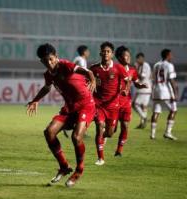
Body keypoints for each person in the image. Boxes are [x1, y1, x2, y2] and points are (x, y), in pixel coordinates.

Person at [27, 43, 96, 187]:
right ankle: (64, 166)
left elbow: (87, 72)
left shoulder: (66, 65)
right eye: (46, 61)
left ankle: (79, 170)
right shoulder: (48, 74)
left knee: (76, 137)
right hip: (70, 108)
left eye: (51, 59)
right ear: (42, 62)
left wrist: (93, 79)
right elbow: (46, 88)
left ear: (56, 57)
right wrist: (35, 100)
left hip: (85, 105)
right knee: (49, 132)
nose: (49, 63)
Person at [90, 42, 129, 166]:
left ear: (112, 54)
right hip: (98, 105)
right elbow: (87, 80)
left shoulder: (119, 68)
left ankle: (105, 136)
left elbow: (127, 80)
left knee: (110, 133)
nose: (106, 53)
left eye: (108, 51)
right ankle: (100, 158)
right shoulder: (94, 68)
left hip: (113, 106)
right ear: (100, 52)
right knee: (99, 127)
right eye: (104, 51)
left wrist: (126, 89)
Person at [114, 46, 147, 157]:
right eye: (125, 55)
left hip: (126, 102)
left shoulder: (132, 69)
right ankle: (101, 148)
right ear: (119, 57)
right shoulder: (114, 68)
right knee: (111, 130)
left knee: (125, 125)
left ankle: (119, 151)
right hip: (114, 102)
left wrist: (140, 85)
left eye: (129, 55)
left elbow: (136, 81)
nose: (128, 57)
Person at [150, 49, 178, 140]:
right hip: (165, 91)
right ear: (167, 55)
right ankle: (168, 132)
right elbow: (171, 80)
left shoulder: (156, 65)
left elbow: (153, 79)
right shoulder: (169, 65)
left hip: (156, 90)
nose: (172, 57)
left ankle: (152, 134)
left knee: (156, 112)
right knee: (174, 110)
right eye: (171, 55)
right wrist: (175, 93)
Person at [133, 53, 152, 129]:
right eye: (137, 59)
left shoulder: (145, 65)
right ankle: (142, 123)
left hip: (144, 88)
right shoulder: (141, 66)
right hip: (143, 89)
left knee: (135, 104)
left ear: (142, 58)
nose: (137, 60)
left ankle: (144, 118)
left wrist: (136, 69)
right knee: (143, 106)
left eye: (139, 59)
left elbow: (142, 77)